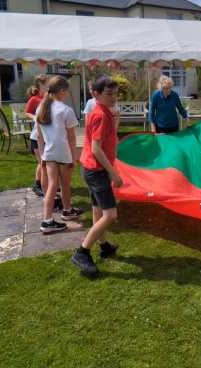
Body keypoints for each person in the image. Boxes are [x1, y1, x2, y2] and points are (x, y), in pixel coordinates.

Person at [71, 75, 123, 274]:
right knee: (110, 215)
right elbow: (96, 149)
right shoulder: (100, 115)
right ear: (96, 95)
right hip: (96, 171)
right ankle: (82, 252)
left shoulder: (104, 112)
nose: (114, 97)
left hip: (93, 170)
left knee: (97, 211)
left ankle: (104, 247)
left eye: (115, 93)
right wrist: (113, 172)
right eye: (109, 94)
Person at [36, 75, 83, 233]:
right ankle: (67, 211)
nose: (67, 94)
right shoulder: (66, 110)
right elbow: (71, 137)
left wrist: (42, 156)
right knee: (65, 185)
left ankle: (48, 219)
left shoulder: (41, 109)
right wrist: (74, 158)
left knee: (52, 186)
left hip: (48, 153)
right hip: (63, 153)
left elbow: (39, 136)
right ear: (62, 90)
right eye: (67, 91)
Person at [25, 74, 50, 197]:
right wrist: (36, 118)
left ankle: (48, 185)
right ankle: (37, 185)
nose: (50, 85)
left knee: (46, 162)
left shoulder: (48, 97)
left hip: (46, 135)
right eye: (48, 83)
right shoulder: (35, 99)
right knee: (42, 163)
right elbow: (27, 112)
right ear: (41, 84)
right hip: (37, 135)